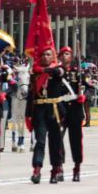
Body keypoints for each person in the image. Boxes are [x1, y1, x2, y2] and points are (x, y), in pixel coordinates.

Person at [26, 47, 66, 185]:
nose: (45, 57)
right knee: (40, 141)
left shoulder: (58, 69)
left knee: (55, 142)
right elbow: (31, 94)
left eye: (48, 54)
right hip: (39, 110)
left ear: (53, 56)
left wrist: (44, 70)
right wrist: (28, 114)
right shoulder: (35, 73)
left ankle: (55, 169)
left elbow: (59, 72)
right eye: (43, 54)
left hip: (54, 110)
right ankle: (36, 169)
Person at [59, 47, 87, 182]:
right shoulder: (57, 72)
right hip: (60, 108)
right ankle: (59, 166)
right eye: (63, 54)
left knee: (75, 141)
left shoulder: (78, 72)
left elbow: (90, 87)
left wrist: (83, 96)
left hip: (75, 109)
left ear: (71, 57)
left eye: (67, 54)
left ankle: (77, 167)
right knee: (57, 138)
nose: (65, 56)